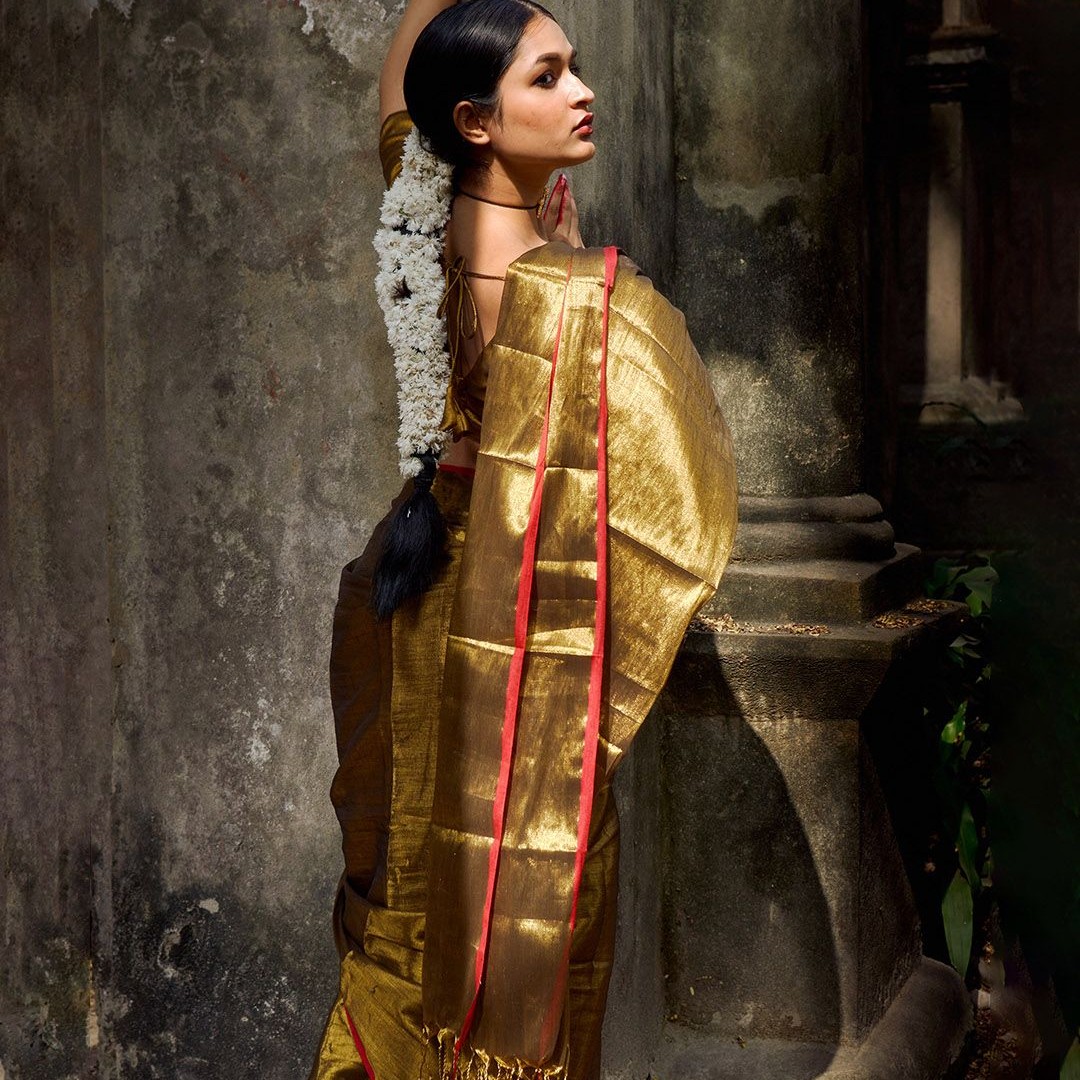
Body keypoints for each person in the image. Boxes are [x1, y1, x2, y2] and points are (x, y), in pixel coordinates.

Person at [309, 2, 738, 1078]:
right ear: (477, 120)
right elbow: (673, 490)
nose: (581, 92)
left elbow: (399, 104)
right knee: (520, 906)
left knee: (411, 892)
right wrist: (579, 263)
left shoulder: (423, 212)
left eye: (574, 68)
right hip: (506, 634)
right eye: (547, 77)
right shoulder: (563, 292)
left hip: (413, 599)